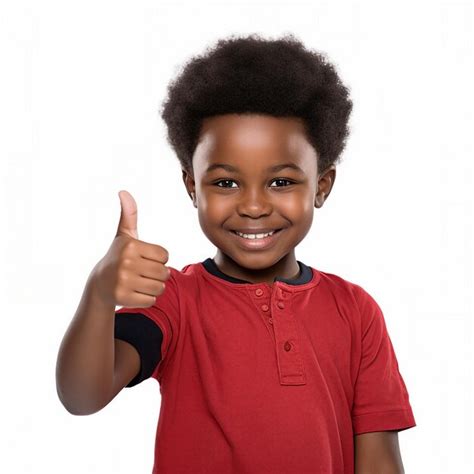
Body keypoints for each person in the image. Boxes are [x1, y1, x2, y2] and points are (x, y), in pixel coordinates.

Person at [56, 33, 416, 474]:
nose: (253, 205)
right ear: (192, 186)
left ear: (322, 185)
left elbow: (379, 461)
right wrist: (98, 296)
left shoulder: (356, 311)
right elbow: (81, 396)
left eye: (281, 182)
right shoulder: (175, 300)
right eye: (226, 183)